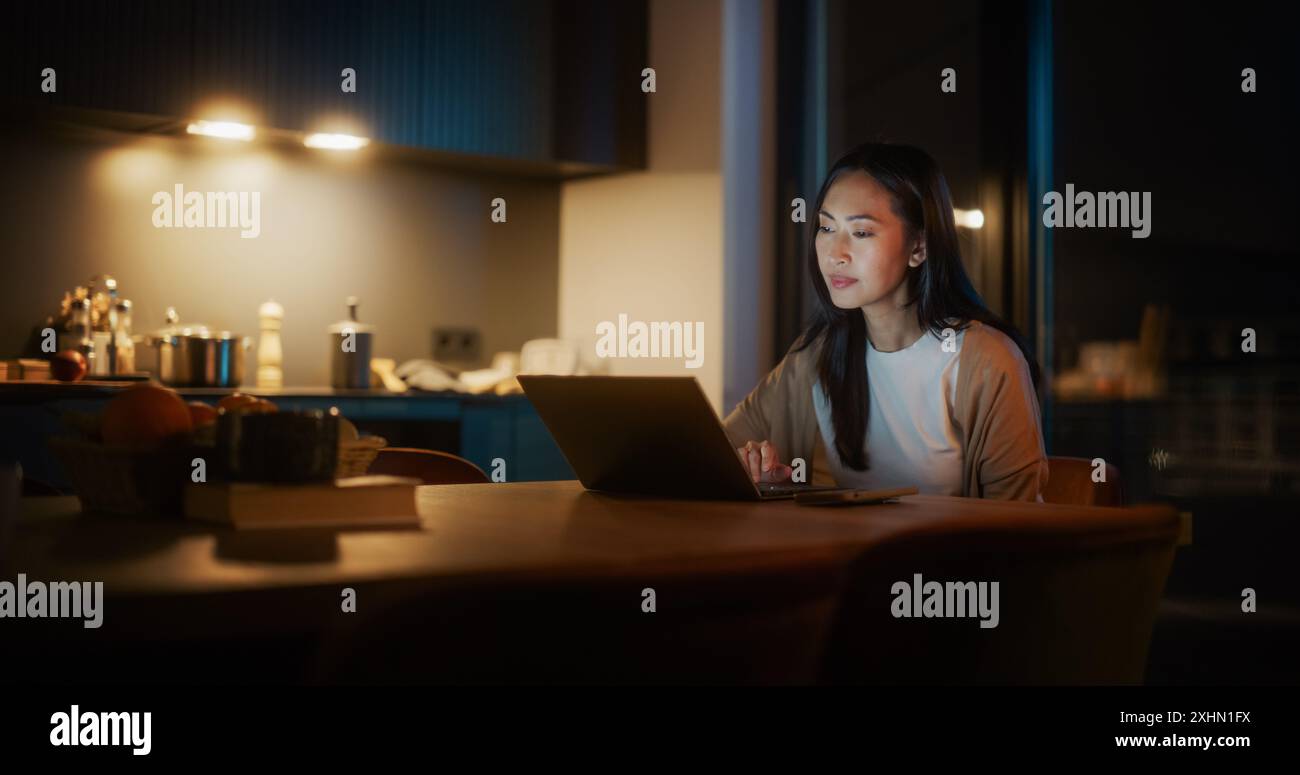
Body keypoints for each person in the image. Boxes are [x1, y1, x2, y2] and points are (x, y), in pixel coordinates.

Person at [725, 142, 1048, 500]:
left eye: (861, 233)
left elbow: (1018, 528)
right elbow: (714, 451)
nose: (835, 254)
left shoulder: (985, 361)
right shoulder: (814, 357)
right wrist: (751, 465)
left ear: (919, 248)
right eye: (826, 228)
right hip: (851, 556)